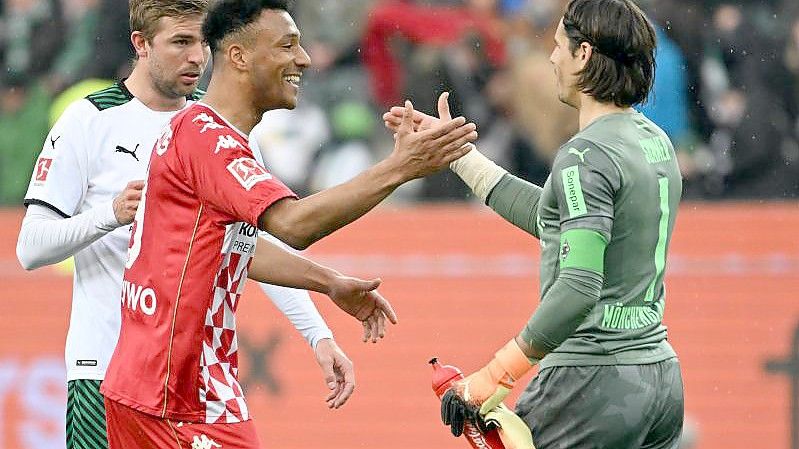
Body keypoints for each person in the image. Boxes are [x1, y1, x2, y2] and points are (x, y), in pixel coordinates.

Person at [99, 1, 478, 448]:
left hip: (150, 382)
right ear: (239, 56)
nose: (304, 59)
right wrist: (400, 168)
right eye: (287, 45)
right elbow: (294, 224)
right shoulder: (208, 140)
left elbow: (236, 245)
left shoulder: (202, 134)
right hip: (181, 392)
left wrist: (329, 282)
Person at [15, 1, 385, 448]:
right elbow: (30, 247)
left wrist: (318, 336)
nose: (197, 58)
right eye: (180, 43)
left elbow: (248, 243)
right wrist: (109, 215)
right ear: (141, 44)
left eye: (203, 44)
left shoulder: (222, 130)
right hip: (103, 369)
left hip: (188, 378)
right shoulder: (89, 120)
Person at [386, 0, 685, 447]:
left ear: (584, 55)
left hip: (591, 384)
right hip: (659, 378)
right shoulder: (652, 141)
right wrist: (460, 156)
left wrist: (493, 376)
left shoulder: (585, 154)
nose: (551, 56)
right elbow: (555, 217)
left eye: (559, 45)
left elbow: (580, 286)